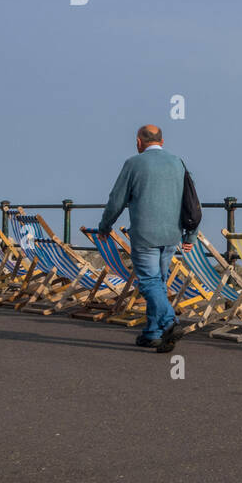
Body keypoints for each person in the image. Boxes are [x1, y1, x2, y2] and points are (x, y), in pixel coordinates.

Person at [96, 125, 193, 351]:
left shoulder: (133, 164)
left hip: (145, 234)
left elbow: (116, 199)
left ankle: (169, 322)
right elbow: (190, 199)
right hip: (172, 234)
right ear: (162, 141)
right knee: (158, 282)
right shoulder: (178, 162)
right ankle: (152, 333)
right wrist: (191, 234)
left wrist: (105, 225)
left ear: (139, 142)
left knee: (149, 281)